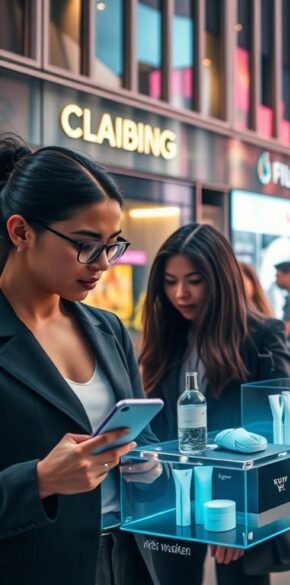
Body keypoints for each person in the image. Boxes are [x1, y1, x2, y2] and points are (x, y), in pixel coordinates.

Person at [0, 135, 161, 585]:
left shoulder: (108, 329)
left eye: (112, 245)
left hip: (127, 559)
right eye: (87, 245)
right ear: (21, 232)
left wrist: (149, 461)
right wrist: (39, 480)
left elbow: (143, 436)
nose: (104, 264)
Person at [139, 224, 290, 585]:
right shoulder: (167, 336)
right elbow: (159, 424)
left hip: (236, 499)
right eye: (170, 282)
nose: (181, 293)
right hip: (173, 496)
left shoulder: (261, 335)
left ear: (220, 279)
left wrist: (244, 511)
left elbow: (276, 430)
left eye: (194, 281)